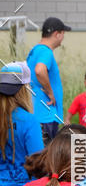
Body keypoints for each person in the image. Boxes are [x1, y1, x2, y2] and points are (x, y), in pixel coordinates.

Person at [26, 16, 71, 145]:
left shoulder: (35, 50)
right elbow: (40, 70)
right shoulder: (45, 51)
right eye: (63, 34)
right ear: (57, 34)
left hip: (36, 113)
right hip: (45, 116)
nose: (63, 38)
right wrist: (50, 93)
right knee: (45, 155)